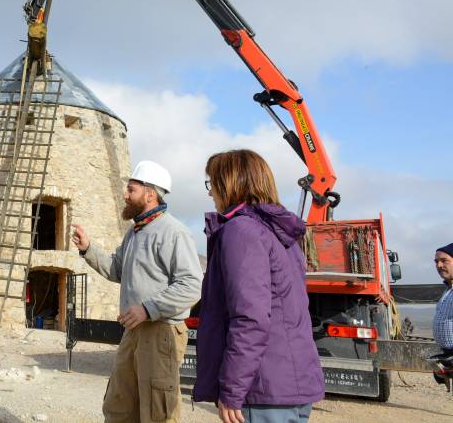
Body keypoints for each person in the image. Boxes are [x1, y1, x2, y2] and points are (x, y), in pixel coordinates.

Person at [193, 149, 324, 423]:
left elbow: (250, 318)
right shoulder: (276, 233)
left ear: (231, 183)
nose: (210, 194)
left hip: (262, 389)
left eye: (212, 184)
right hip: (289, 384)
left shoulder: (241, 232)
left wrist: (232, 389)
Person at [72, 160, 203, 423]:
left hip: (161, 332)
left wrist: (147, 309)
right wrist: (88, 249)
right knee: (119, 404)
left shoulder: (174, 232)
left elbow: (192, 285)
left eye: (131, 189)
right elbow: (116, 270)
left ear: (150, 194)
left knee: (157, 412)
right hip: (133, 331)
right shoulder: (134, 233)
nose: (125, 194)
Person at [433, 243, 453, 354]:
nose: (439, 265)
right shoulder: (448, 290)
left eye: (444, 260)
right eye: (436, 261)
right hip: (447, 355)